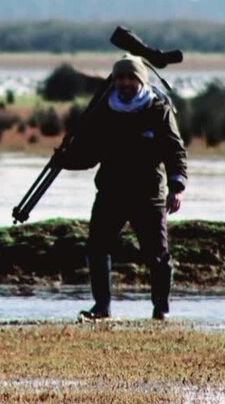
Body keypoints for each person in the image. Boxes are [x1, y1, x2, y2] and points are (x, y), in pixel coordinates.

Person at [53, 54, 187, 320]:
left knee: (157, 254)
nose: (125, 83)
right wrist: (66, 159)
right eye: (120, 78)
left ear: (140, 80)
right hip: (111, 191)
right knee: (97, 247)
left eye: (131, 78)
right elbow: (89, 154)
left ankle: (161, 309)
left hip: (149, 193)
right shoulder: (103, 109)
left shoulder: (158, 108)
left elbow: (175, 151)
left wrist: (177, 186)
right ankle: (101, 307)